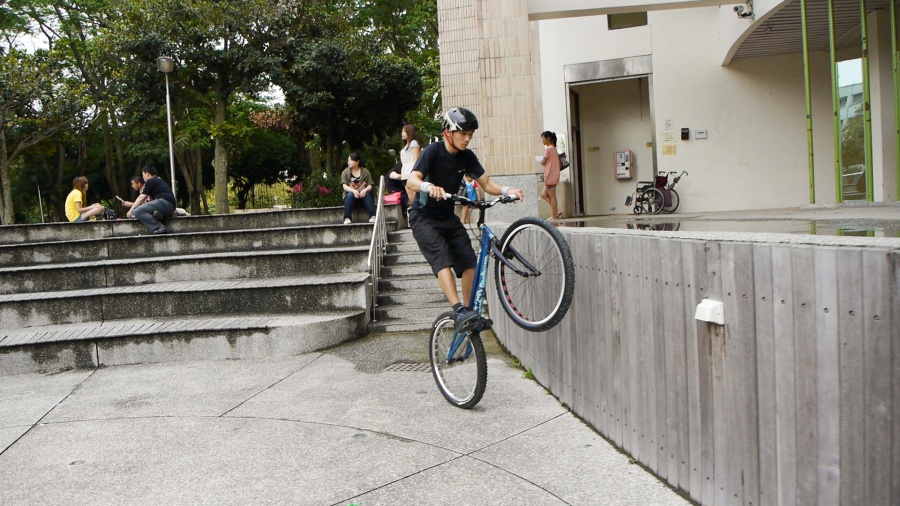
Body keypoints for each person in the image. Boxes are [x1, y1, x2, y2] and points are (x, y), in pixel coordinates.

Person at [407, 107, 525, 333]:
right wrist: (428, 187)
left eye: (470, 134)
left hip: (447, 217)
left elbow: (487, 184)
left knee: (470, 261)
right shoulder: (432, 152)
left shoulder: (467, 156)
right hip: (423, 217)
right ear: (447, 133)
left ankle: (469, 314)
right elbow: (412, 181)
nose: (467, 138)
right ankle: (459, 310)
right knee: (442, 258)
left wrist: (507, 190)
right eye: (463, 133)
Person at [127, 165, 176, 234]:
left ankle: (159, 227)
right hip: (170, 206)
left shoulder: (150, 181)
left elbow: (141, 198)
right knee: (151, 212)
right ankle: (158, 216)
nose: (143, 178)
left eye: (143, 175)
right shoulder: (159, 180)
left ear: (147, 174)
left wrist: (130, 210)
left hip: (164, 203)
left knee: (137, 211)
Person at [340, 153, 376, 224]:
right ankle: (347, 217)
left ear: (357, 161)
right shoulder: (345, 172)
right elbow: (344, 186)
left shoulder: (365, 172)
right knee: (350, 195)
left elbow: (370, 185)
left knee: (368, 194)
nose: (349, 162)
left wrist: (365, 190)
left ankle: (373, 216)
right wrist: (353, 191)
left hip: (363, 197)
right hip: (350, 198)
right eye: (348, 160)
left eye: (351, 160)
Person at [539, 130, 562, 220]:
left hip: (550, 175)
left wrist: (539, 160)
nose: (542, 140)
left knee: (552, 196)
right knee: (543, 194)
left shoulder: (548, 149)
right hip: (554, 174)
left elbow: (543, 162)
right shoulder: (554, 148)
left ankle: (554, 216)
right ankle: (557, 211)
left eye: (543, 138)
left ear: (548, 139)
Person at [399, 125, 420, 206]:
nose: (402, 134)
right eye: (402, 132)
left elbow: (416, 159)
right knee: (411, 197)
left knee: (415, 197)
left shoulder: (413, 143)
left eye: (404, 132)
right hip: (404, 173)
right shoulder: (405, 146)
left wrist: (413, 173)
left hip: (411, 172)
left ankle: (418, 211)